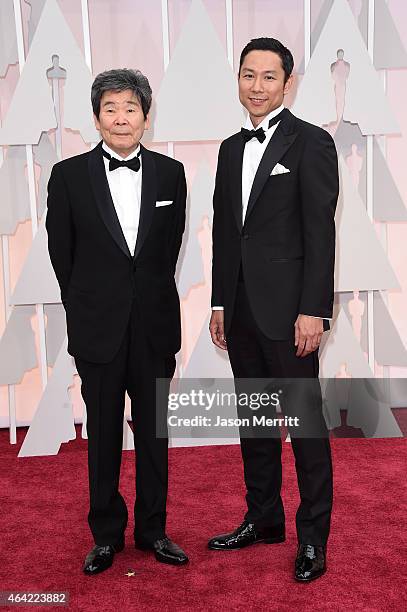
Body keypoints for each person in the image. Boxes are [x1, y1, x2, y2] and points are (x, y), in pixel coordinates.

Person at [46, 68, 188, 575]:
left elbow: (166, 252)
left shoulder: (172, 175)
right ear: (96, 117)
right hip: (97, 330)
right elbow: (61, 256)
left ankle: (154, 530)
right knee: (103, 436)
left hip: (153, 327)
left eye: (130, 108)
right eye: (110, 108)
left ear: (146, 118)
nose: (120, 118)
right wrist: (91, 304)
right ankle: (105, 535)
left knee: (154, 434)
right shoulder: (67, 177)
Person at [209, 38, 338, 582]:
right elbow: (225, 232)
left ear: (288, 84)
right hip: (240, 312)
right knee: (256, 423)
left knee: (305, 427)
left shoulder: (312, 143)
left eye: (268, 77)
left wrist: (314, 309)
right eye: (247, 75)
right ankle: (263, 519)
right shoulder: (229, 149)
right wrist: (219, 299)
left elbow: (320, 232)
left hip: (291, 315)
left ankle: (313, 539)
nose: (256, 86)